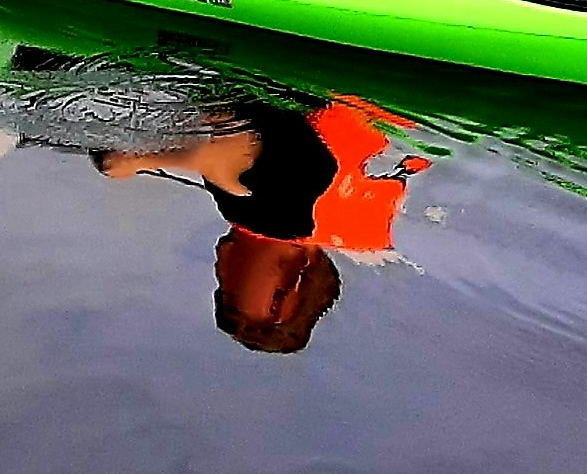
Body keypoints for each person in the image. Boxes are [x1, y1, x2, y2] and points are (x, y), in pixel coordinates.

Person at [93, 97, 426, 354]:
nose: (218, 273)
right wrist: (137, 161)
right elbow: (233, 145)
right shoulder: (274, 215)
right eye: (229, 294)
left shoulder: (361, 233)